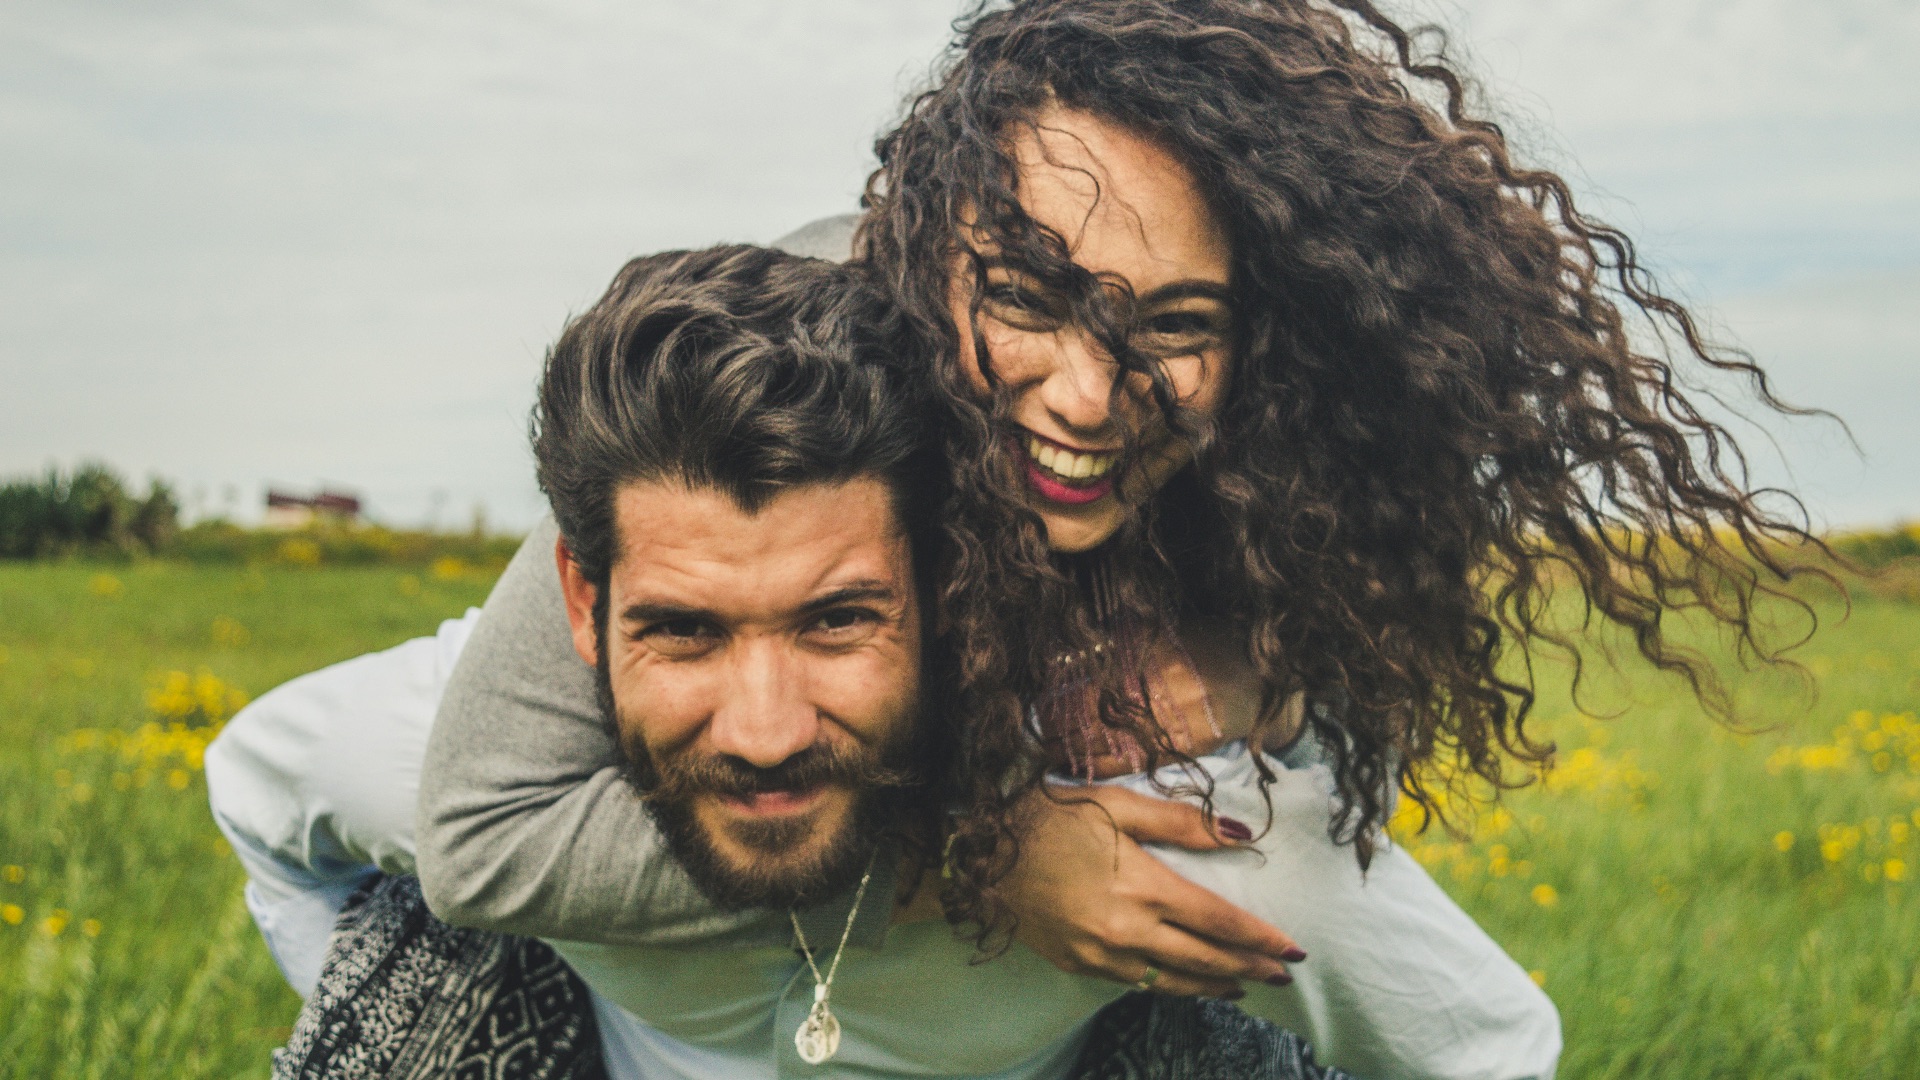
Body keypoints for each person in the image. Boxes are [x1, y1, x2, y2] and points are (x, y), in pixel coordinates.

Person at [418, 0, 1821, 1075]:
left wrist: (1263, 684)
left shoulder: (1269, 470)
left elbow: (1350, 877)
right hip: (736, 874)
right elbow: (478, 834)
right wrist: (982, 853)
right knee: (319, 761)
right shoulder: (793, 374)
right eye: (1028, 297)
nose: (1089, 398)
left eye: (1174, 327)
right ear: (920, 243)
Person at [211, 244, 1357, 1080]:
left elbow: (1474, 1032)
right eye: (684, 629)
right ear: (582, 602)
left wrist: (1277, 683)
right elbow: (273, 798)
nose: (764, 727)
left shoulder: (1187, 828)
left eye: (836, 621)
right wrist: (979, 862)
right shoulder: (425, 745)